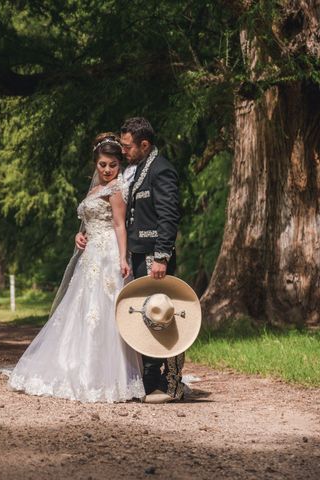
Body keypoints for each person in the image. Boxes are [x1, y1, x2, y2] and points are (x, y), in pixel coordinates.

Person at [4, 133, 145, 403]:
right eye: (102, 164)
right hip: (90, 254)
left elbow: (119, 225)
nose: (106, 170)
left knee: (103, 309)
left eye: (112, 165)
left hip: (107, 255)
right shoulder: (94, 190)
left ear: (119, 165)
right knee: (82, 308)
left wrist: (123, 258)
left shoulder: (116, 189)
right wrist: (79, 236)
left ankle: (108, 375)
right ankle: (77, 365)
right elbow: (89, 221)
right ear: (95, 163)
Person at [120, 117, 185, 402]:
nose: (124, 151)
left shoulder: (162, 171)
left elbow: (169, 216)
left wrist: (161, 256)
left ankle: (173, 383)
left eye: (128, 146)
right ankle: (151, 380)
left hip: (154, 258)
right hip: (138, 254)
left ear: (144, 144)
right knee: (145, 316)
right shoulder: (137, 170)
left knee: (163, 315)